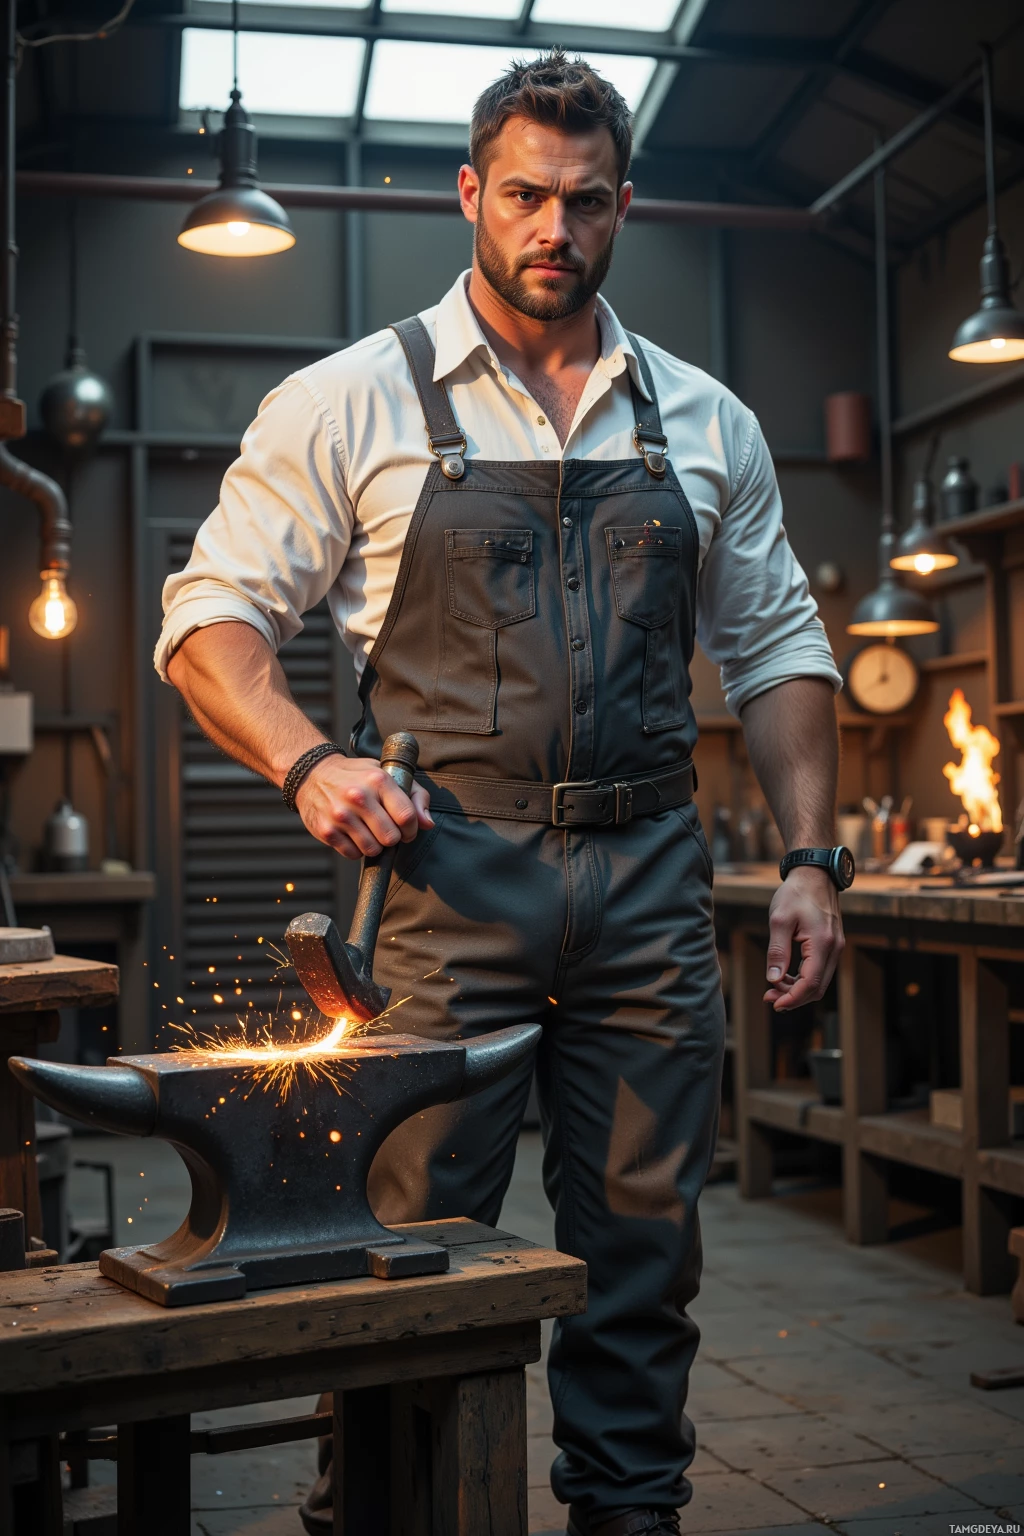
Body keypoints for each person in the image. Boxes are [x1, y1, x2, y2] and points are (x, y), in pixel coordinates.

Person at [157, 50, 847, 1536]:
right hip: (446, 883)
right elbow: (208, 625)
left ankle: (629, 1513)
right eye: (526, 195)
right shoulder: (351, 401)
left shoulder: (705, 422)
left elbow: (782, 643)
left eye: (586, 203)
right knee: (404, 1243)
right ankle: (391, 1512)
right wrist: (310, 760)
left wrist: (812, 858)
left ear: (623, 209)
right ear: (472, 193)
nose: (556, 229)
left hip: (652, 884)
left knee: (649, 1251)